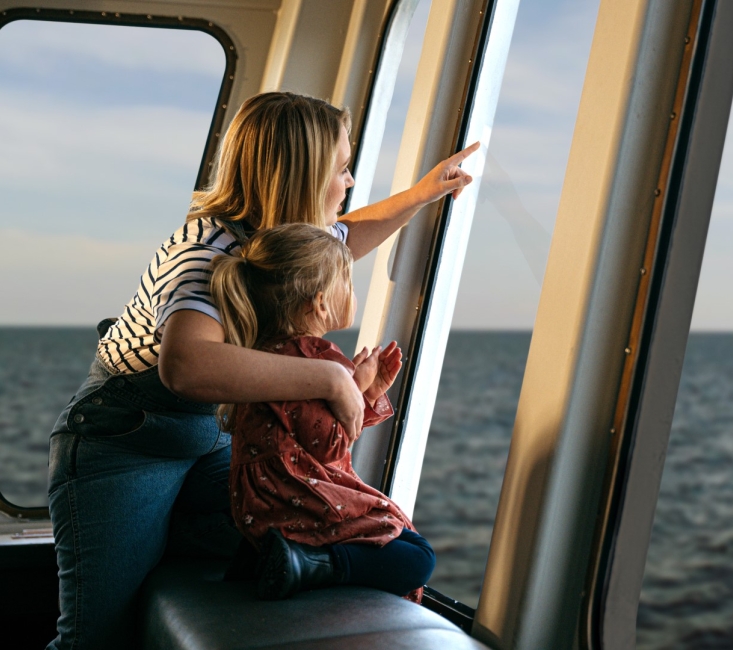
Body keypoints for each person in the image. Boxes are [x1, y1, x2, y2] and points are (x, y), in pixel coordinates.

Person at [46, 91, 478, 650]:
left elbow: (346, 237)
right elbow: (186, 364)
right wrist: (331, 379)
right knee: (98, 638)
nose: (349, 183)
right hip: (129, 442)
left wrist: (423, 194)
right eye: (341, 169)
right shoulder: (206, 250)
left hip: (206, 441)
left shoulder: (279, 242)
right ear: (298, 175)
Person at [211, 223, 432, 602]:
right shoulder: (314, 359)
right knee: (417, 556)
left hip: (259, 501)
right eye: (347, 281)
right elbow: (327, 447)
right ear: (320, 302)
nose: (353, 291)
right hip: (291, 495)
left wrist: (365, 392)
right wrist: (357, 387)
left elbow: (303, 431)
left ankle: (267, 559)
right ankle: (313, 564)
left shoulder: (260, 353)